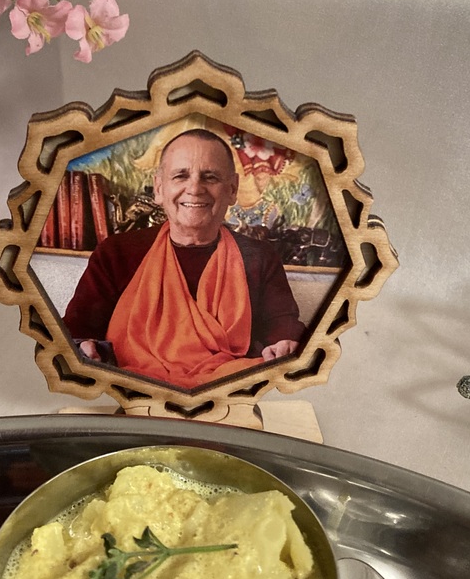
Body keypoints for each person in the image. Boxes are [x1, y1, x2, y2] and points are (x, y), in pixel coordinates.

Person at [62, 129, 306, 389]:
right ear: (159, 188)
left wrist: (284, 344)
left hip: (227, 391)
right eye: (181, 176)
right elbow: (77, 330)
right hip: (135, 387)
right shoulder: (117, 253)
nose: (195, 189)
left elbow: (283, 327)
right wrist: (83, 346)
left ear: (232, 189)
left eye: (210, 177)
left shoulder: (259, 257)